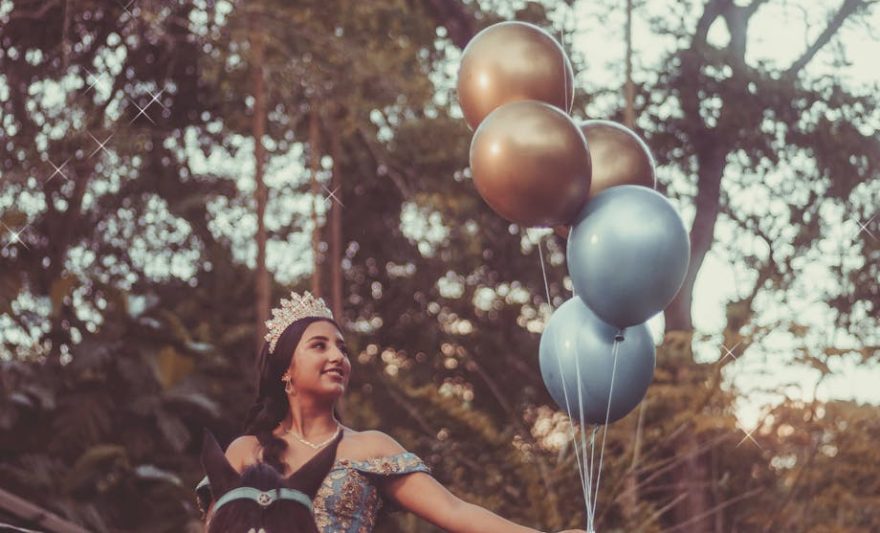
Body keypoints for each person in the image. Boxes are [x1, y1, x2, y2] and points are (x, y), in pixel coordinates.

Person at [196, 290, 586, 533]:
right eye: (320, 346)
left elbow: (455, 511)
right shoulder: (245, 452)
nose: (337, 357)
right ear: (286, 369)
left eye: (342, 349)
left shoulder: (371, 449)